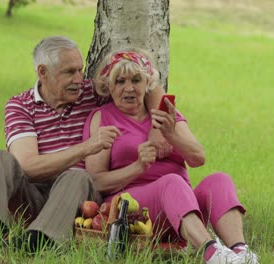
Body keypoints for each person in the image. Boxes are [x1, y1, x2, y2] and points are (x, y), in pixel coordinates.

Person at [0, 36, 167, 253]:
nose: (79, 79)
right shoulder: (20, 106)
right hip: (33, 196)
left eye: (80, 70)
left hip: (78, 199)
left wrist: (156, 127)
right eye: (69, 72)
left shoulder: (91, 93)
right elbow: (29, 167)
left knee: (77, 176)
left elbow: (150, 87)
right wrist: (86, 147)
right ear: (43, 72)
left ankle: (37, 242)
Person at [83, 49, 259, 264]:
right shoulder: (103, 117)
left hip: (182, 207)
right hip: (134, 210)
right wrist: (138, 166)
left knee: (219, 180)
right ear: (108, 86)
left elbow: (198, 158)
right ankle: (212, 254)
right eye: (120, 81)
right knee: (171, 182)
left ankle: (241, 254)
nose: (129, 88)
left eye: (136, 80)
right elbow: (96, 181)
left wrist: (171, 135)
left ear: (147, 83)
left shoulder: (164, 113)